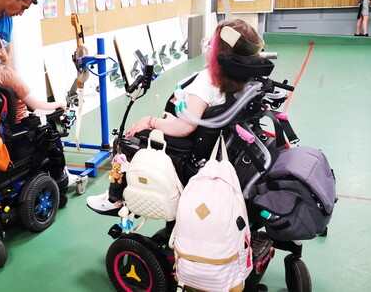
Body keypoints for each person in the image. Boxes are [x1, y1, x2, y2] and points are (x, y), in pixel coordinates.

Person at [86, 19, 267, 214]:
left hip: (189, 148)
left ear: (218, 52)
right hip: (216, 144)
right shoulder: (242, 79)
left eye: (211, 43)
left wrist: (150, 121)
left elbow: (184, 128)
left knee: (124, 140)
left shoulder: (207, 82)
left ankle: (114, 198)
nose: (207, 46)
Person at [0, 28, 73, 207]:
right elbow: (37, 105)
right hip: (17, 137)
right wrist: (59, 104)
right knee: (52, 131)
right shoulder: (7, 75)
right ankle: (60, 181)